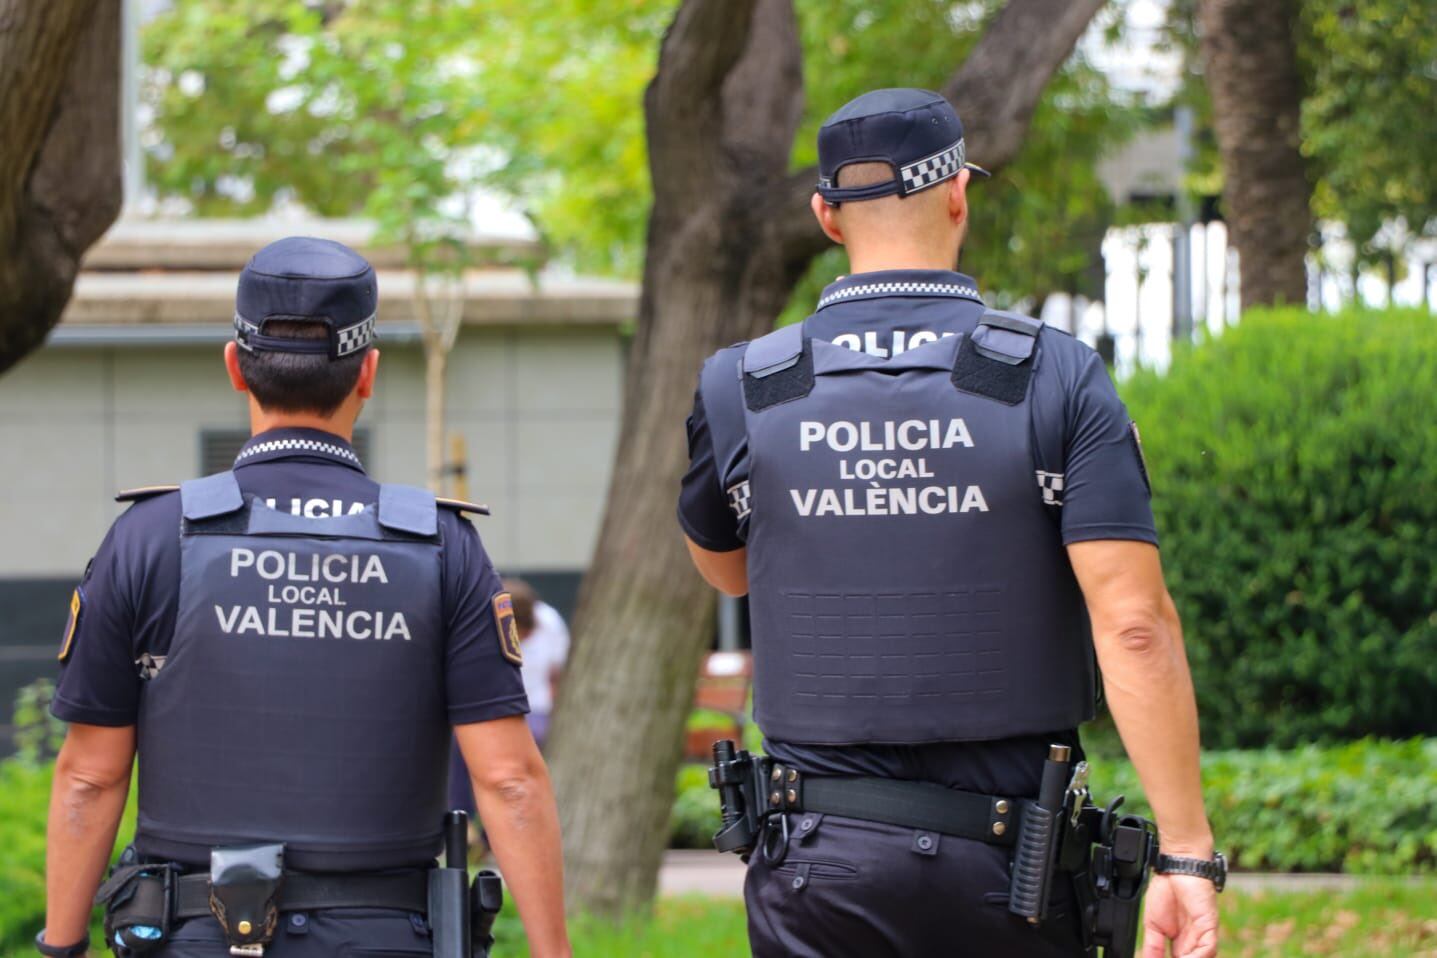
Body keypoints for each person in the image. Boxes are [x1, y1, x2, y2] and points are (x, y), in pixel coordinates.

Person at [679, 89, 1222, 958]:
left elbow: (727, 570)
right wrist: (1187, 854)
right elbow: (1132, 624)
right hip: (1014, 871)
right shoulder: (1057, 376)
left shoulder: (742, 382)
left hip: (813, 866)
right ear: (959, 194)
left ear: (825, 215)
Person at [38, 237, 571, 958]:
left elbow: (88, 779)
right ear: (368, 373)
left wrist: (61, 947)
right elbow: (507, 780)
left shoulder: (151, 537)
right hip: (389, 938)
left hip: (195, 935)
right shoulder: (440, 545)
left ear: (234, 367)